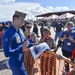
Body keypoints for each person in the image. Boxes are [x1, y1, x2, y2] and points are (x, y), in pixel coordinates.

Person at [2, 11, 28, 75]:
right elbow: (7, 53)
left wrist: (34, 44)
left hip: (22, 60)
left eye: (24, 20)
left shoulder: (21, 30)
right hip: (15, 63)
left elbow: (24, 43)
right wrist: (21, 49)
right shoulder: (7, 34)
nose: (23, 22)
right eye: (21, 20)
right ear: (15, 19)